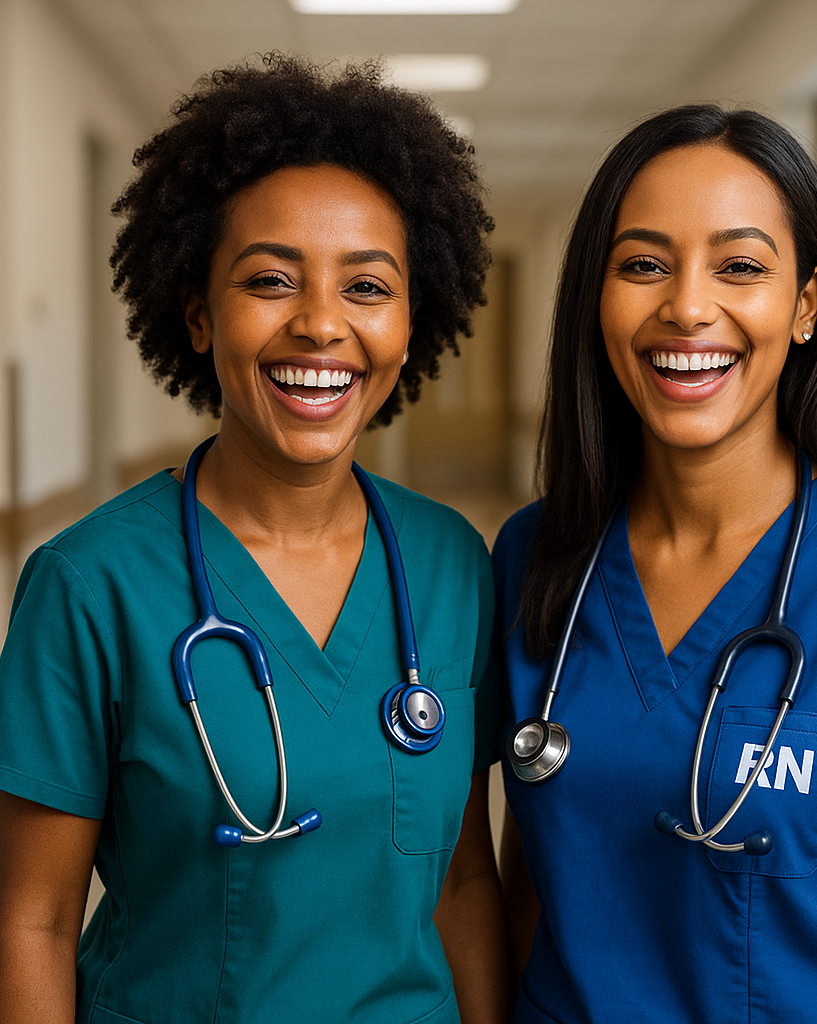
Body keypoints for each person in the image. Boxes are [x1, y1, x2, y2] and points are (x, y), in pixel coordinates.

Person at [0, 54, 511, 1024]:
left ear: (414, 320)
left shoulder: (452, 564)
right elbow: (33, 918)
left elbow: (462, 885)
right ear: (198, 313)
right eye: (271, 280)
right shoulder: (86, 585)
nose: (321, 325)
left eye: (367, 287)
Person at [494, 104, 817, 1023]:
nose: (688, 306)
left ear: (806, 305)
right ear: (598, 298)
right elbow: (527, 889)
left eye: (740, 266)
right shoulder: (535, 555)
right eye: (643, 265)